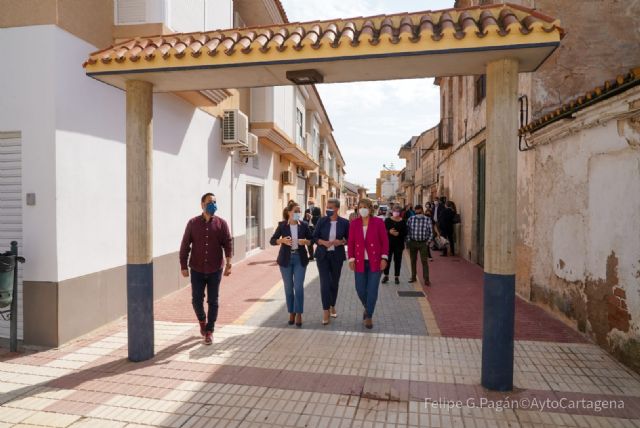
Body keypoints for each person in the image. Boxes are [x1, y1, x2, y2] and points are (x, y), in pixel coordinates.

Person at [180, 193, 233, 345]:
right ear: (202, 204)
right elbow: (185, 245)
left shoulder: (221, 224)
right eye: (210, 202)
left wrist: (229, 263)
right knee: (196, 300)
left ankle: (209, 331)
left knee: (213, 300)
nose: (213, 204)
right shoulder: (193, 223)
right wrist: (183, 265)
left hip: (215, 269)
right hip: (197, 268)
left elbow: (228, 244)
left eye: (215, 202)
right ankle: (202, 321)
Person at [348, 198, 389, 329]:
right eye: (360, 207)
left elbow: (385, 241)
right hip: (359, 262)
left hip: (375, 262)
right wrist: (351, 259)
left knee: (372, 290)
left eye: (365, 206)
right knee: (360, 289)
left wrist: (384, 258)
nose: (363, 209)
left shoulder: (378, 222)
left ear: (370, 208)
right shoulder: (354, 223)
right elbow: (351, 243)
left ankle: (369, 316)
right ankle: (367, 307)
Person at [270, 203, 313, 327]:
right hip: (285, 260)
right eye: (296, 211)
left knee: (298, 287)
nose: (298, 213)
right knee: (289, 288)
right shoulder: (282, 226)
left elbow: (312, 240)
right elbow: (272, 240)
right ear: (289, 212)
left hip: (300, 258)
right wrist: (281, 240)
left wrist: (306, 241)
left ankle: (299, 313)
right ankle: (291, 312)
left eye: (299, 211)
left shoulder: (304, 225)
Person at [313, 198, 349, 324]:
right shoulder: (322, 221)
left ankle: (332, 304)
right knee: (325, 283)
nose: (327, 209)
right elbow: (314, 237)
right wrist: (323, 242)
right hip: (322, 256)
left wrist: (342, 242)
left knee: (334, 283)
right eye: (327, 207)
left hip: (337, 256)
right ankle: (325, 310)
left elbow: (349, 239)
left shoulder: (345, 223)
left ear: (337, 209)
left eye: (330, 207)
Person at [406, 204, 434, 286]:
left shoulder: (427, 219)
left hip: (423, 243)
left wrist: (428, 242)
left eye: (419, 211)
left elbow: (431, 232)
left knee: (424, 261)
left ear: (422, 210)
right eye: (416, 211)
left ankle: (426, 279)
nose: (418, 213)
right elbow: (407, 231)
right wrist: (408, 241)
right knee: (413, 260)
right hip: (413, 242)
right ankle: (413, 277)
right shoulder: (411, 219)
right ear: (415, 211)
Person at [383, 204, 407, 285]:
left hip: (399, 245)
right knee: (387, 260)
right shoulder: (387, 220)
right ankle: (386, 276)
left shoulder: (403, 221)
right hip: (388, 244)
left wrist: (399, 234)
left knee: (398, 261)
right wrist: (389, 232)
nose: (396, 213)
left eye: (397, 211)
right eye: (394, 211)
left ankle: (397, 277)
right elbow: (382, 231)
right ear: (392, 211)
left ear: (400, 212)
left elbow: (405, 232)